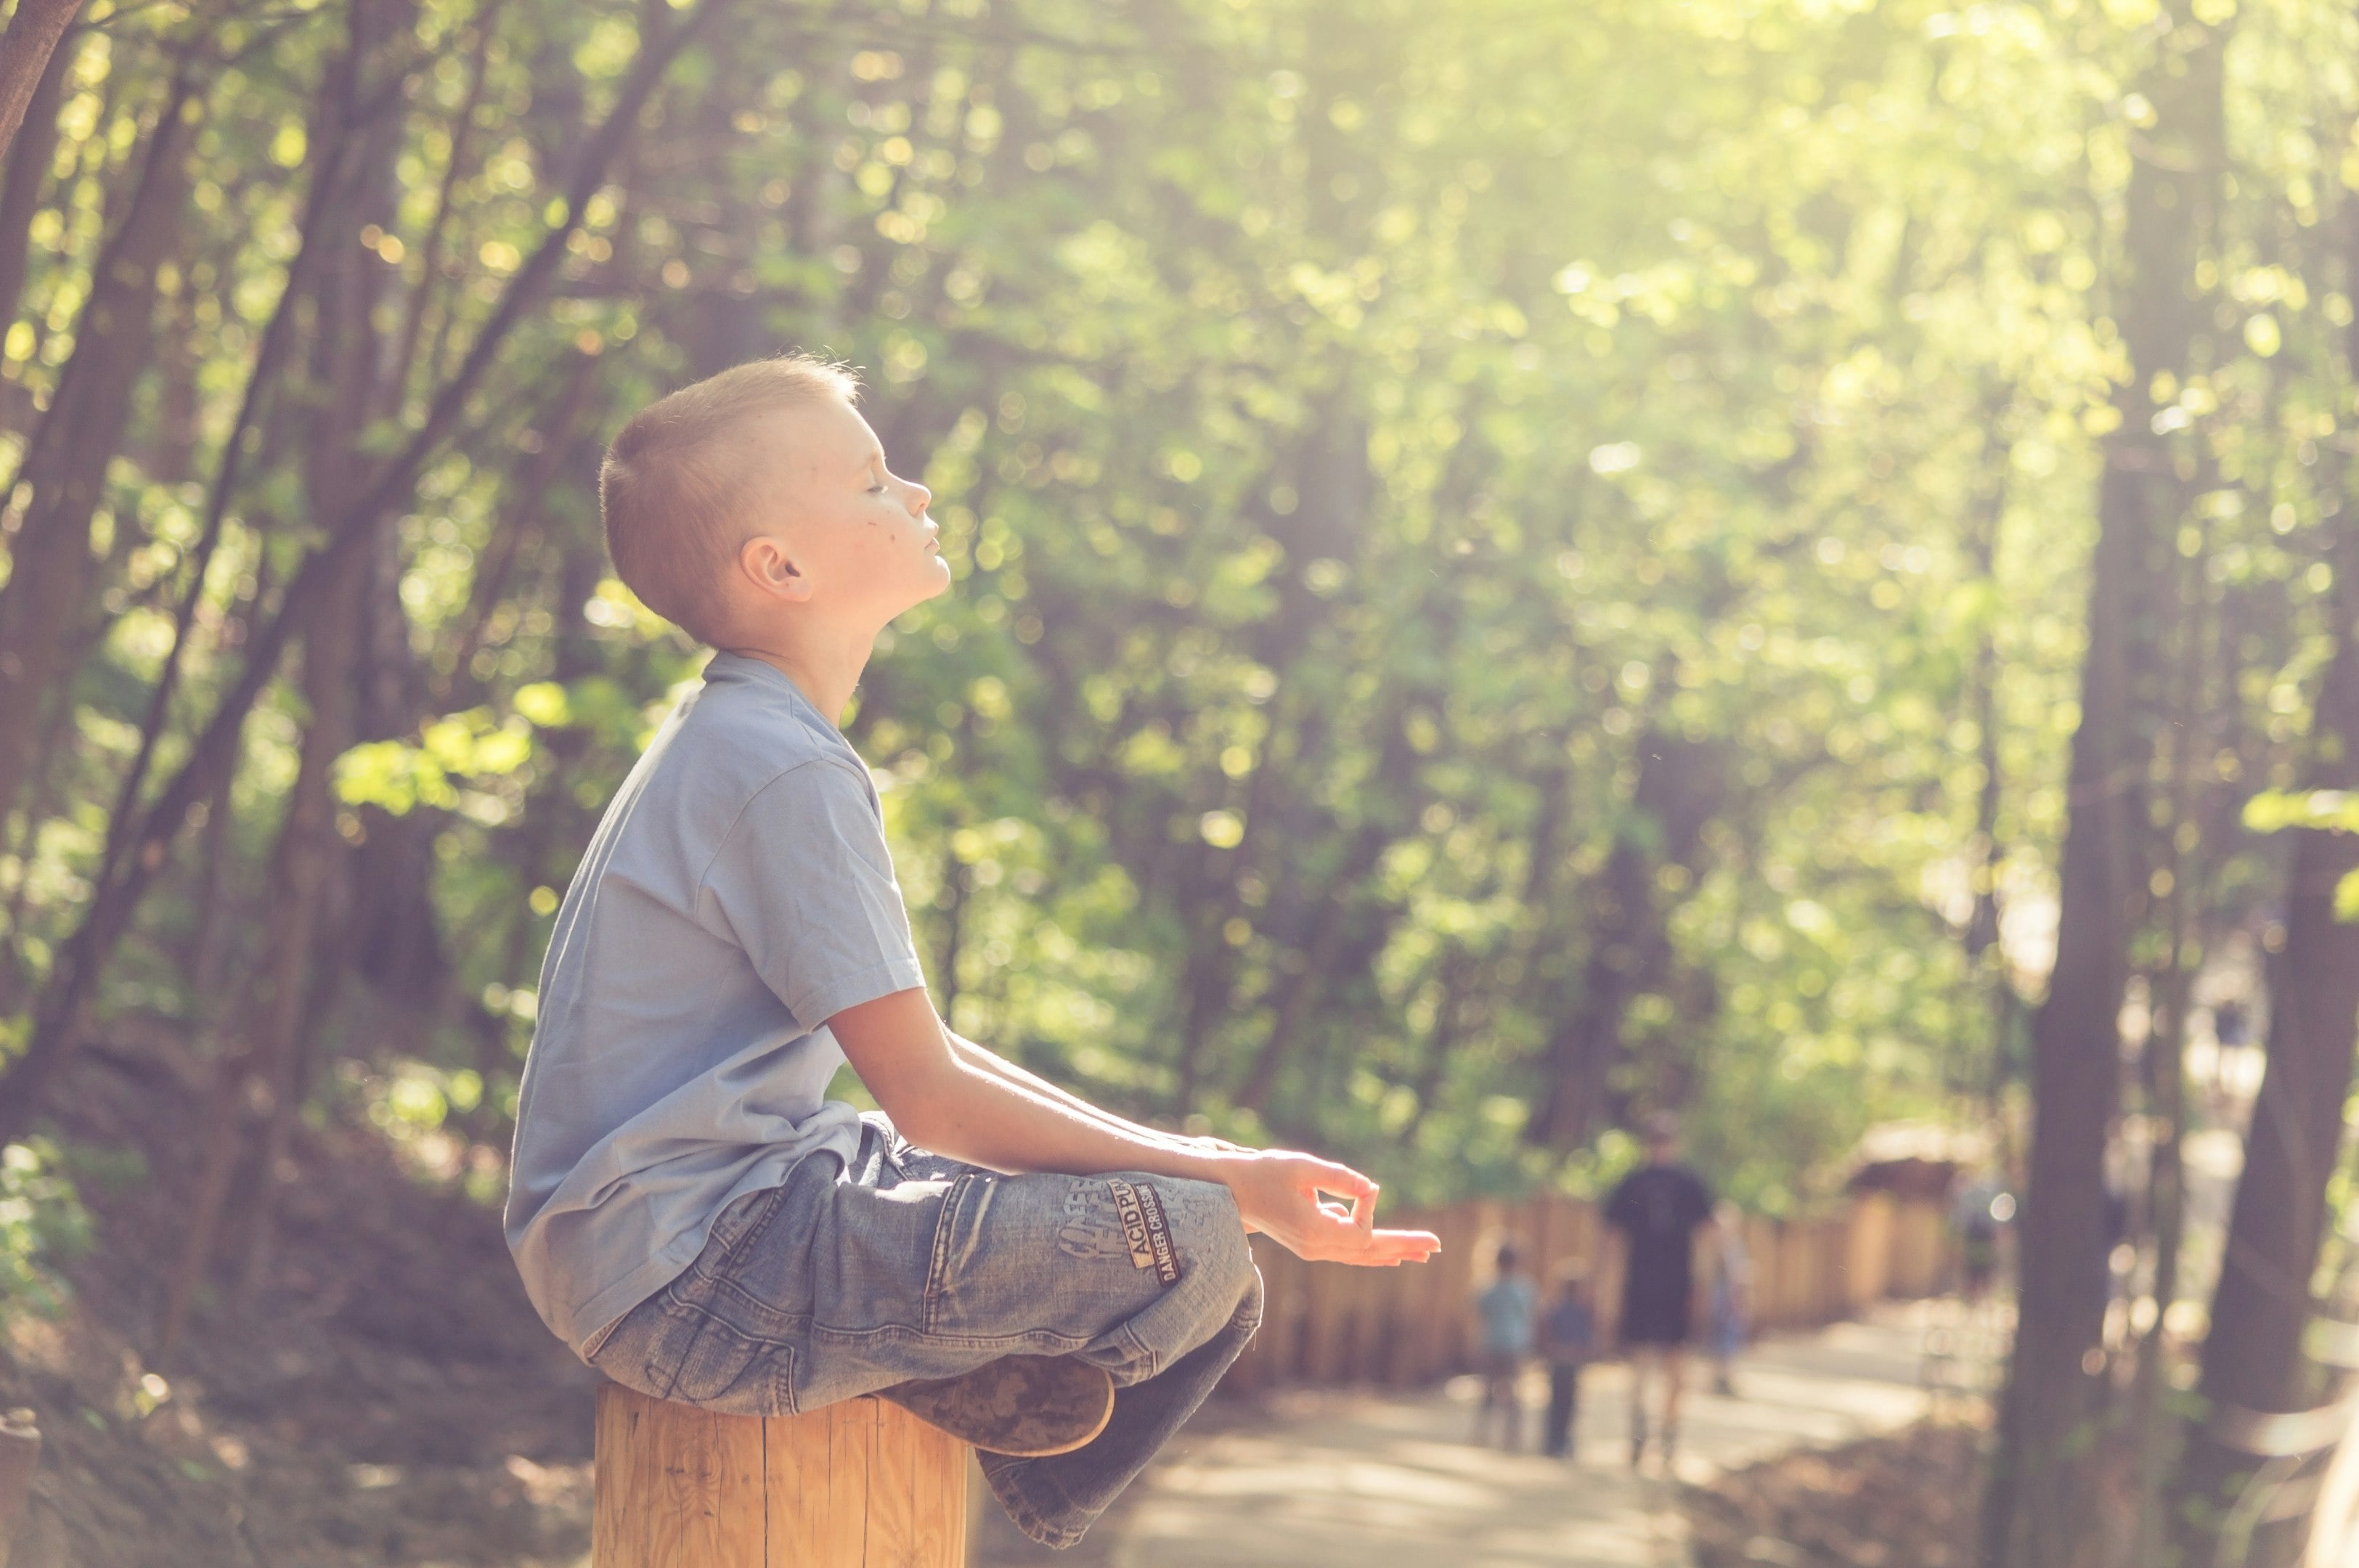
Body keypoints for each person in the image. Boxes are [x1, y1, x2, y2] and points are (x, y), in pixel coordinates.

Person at [502, 355, 1441, 1549]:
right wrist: (1221, 1185)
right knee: (1185, 1241)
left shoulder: (749, 734)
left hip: (707, 1233)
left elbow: (925, 1060)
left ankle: (930, 1370)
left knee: (1186, 1210)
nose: (917, 491)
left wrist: (1210, 1154)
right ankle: (1011, 1475)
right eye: (871, 480)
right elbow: (932, 1100)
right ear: (778, 567)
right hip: (694, 1276)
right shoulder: (776, 764)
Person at [1602, 1111, 1716, 1469]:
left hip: (1670, 1287)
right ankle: (1645, 1436)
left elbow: (1705, 1239)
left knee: (1670, 1367)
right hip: (1647, 1286)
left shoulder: (1679, 1184)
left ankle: (1664, 1436)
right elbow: (1615, 1242)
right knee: (1644, 1366)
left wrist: (1701, 1286)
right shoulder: (1638, 1185)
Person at [1472, 1243, 1539, 1448]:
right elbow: (1531, 1315)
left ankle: (1484, 1434)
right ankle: (1511, 1437)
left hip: (1494, 1343)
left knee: (1490, 1390)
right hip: (1514, 1344)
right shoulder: (1524, 1288)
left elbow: (1480, 1311)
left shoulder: (1490, 1287)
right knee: (1512, 1391)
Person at [1537, 1264, 1597, 1460]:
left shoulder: (1557, 1308)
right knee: (1567, 1405)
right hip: (1569, 1363)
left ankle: (1555, 1442)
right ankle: (1561, 1442)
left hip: (1561, 1362)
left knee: (1558, 1404)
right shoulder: (1581, 1311)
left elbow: (1545, 1334)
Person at [1706, 1199, 1750, 1397]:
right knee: (1720, 1337)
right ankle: (1719, 1378)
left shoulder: (1735, 1244)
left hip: (1731, 1297)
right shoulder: (1715, 1246)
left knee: (1729, 1336)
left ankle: (1724, 1377)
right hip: (1720, 1297)